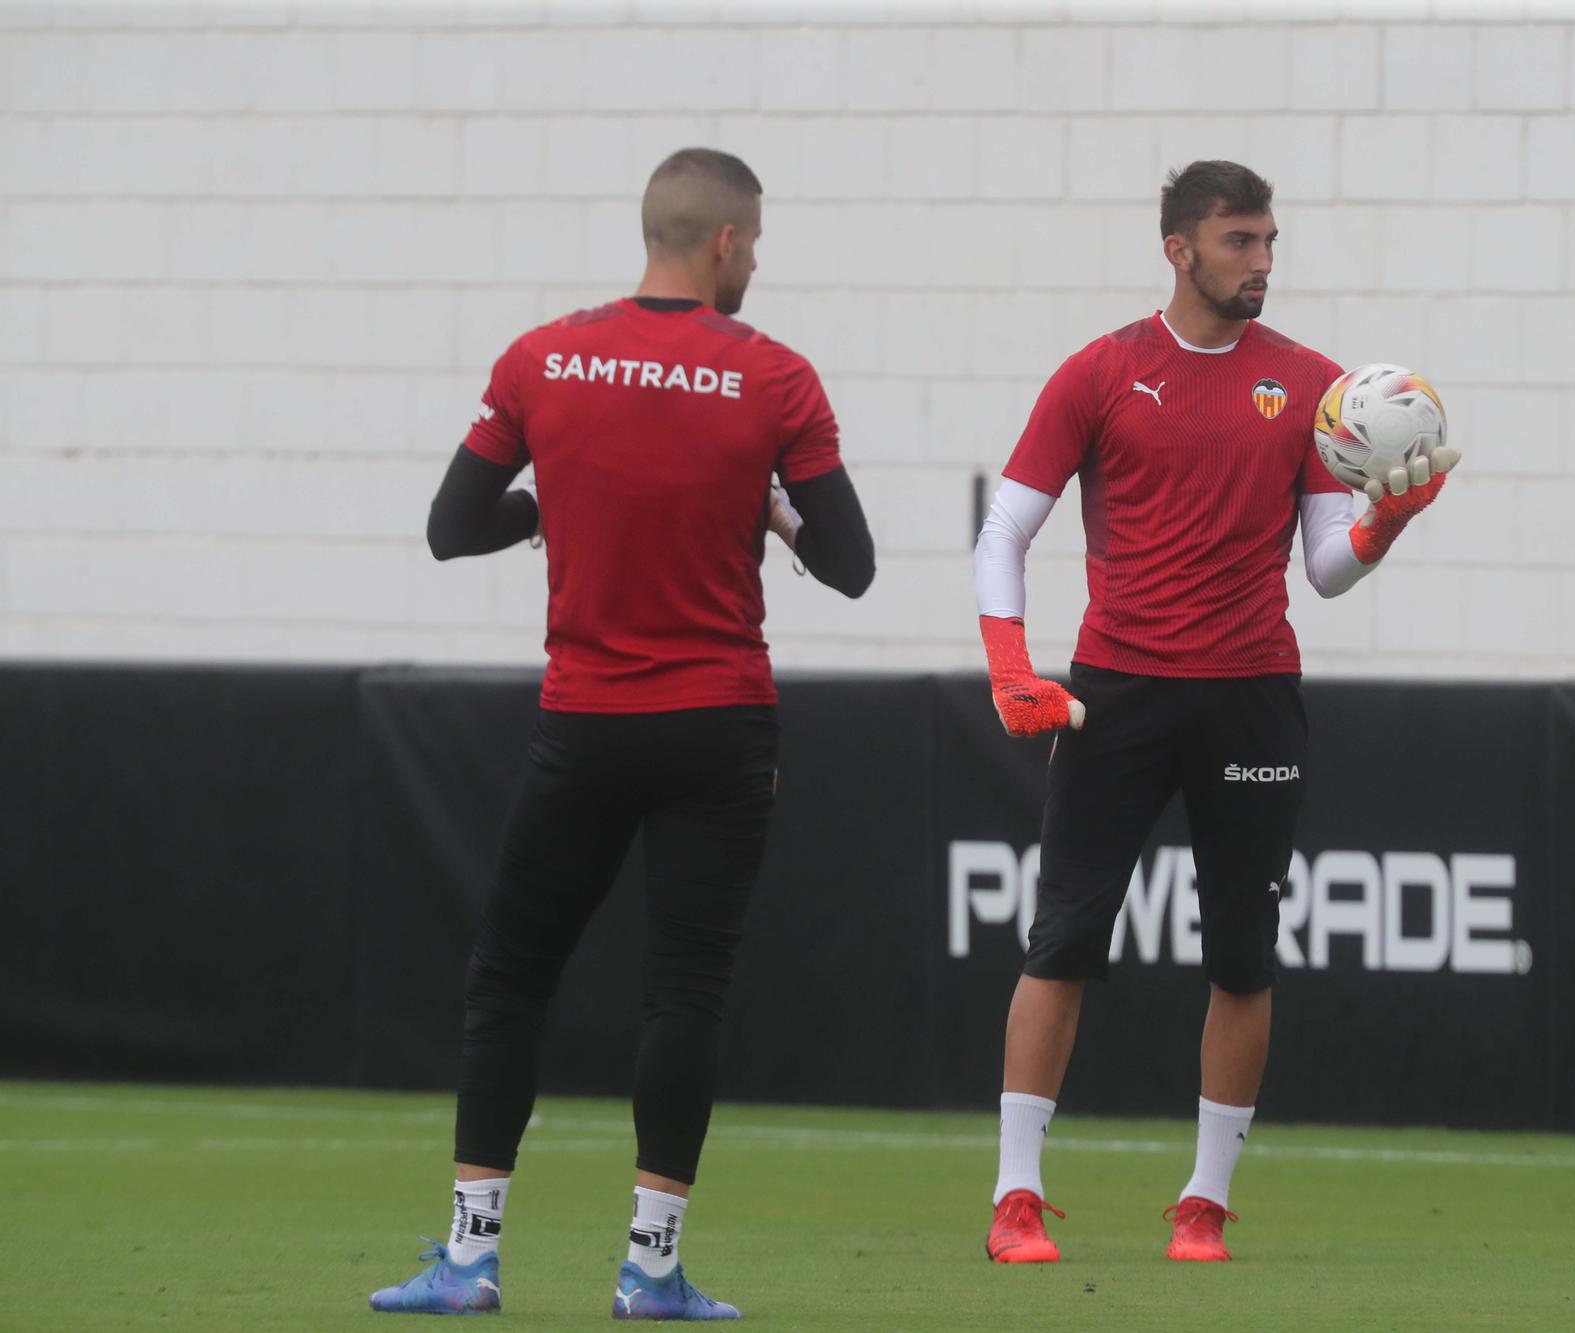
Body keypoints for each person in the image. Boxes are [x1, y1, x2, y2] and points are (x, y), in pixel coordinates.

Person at [368, 147, 874, 1321]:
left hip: (584, 725)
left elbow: (450, 528)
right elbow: (847, 566)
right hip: (721, 728)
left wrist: (546, 505)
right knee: (684, 991)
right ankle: (649, 1270)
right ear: (728, 244)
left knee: (509, 981)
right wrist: (767, 507)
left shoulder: (539, 359)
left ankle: (469, 1257)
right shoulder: (776, 378)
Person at [972, 160, 1456, 1265]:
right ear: (1177, 249)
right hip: (1116, 695)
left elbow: (1325, 569)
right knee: (1061, 940)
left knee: (1241, 954)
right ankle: (1013, 1196)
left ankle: (1203, 1202)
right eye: (1240, 242)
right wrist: (1011, 666)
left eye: (1270, 241)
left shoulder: (1317, 388)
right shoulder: (1098, 374)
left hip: (1249, 699)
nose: (1262, 263)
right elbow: (1004, 533)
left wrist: (1390, 521)